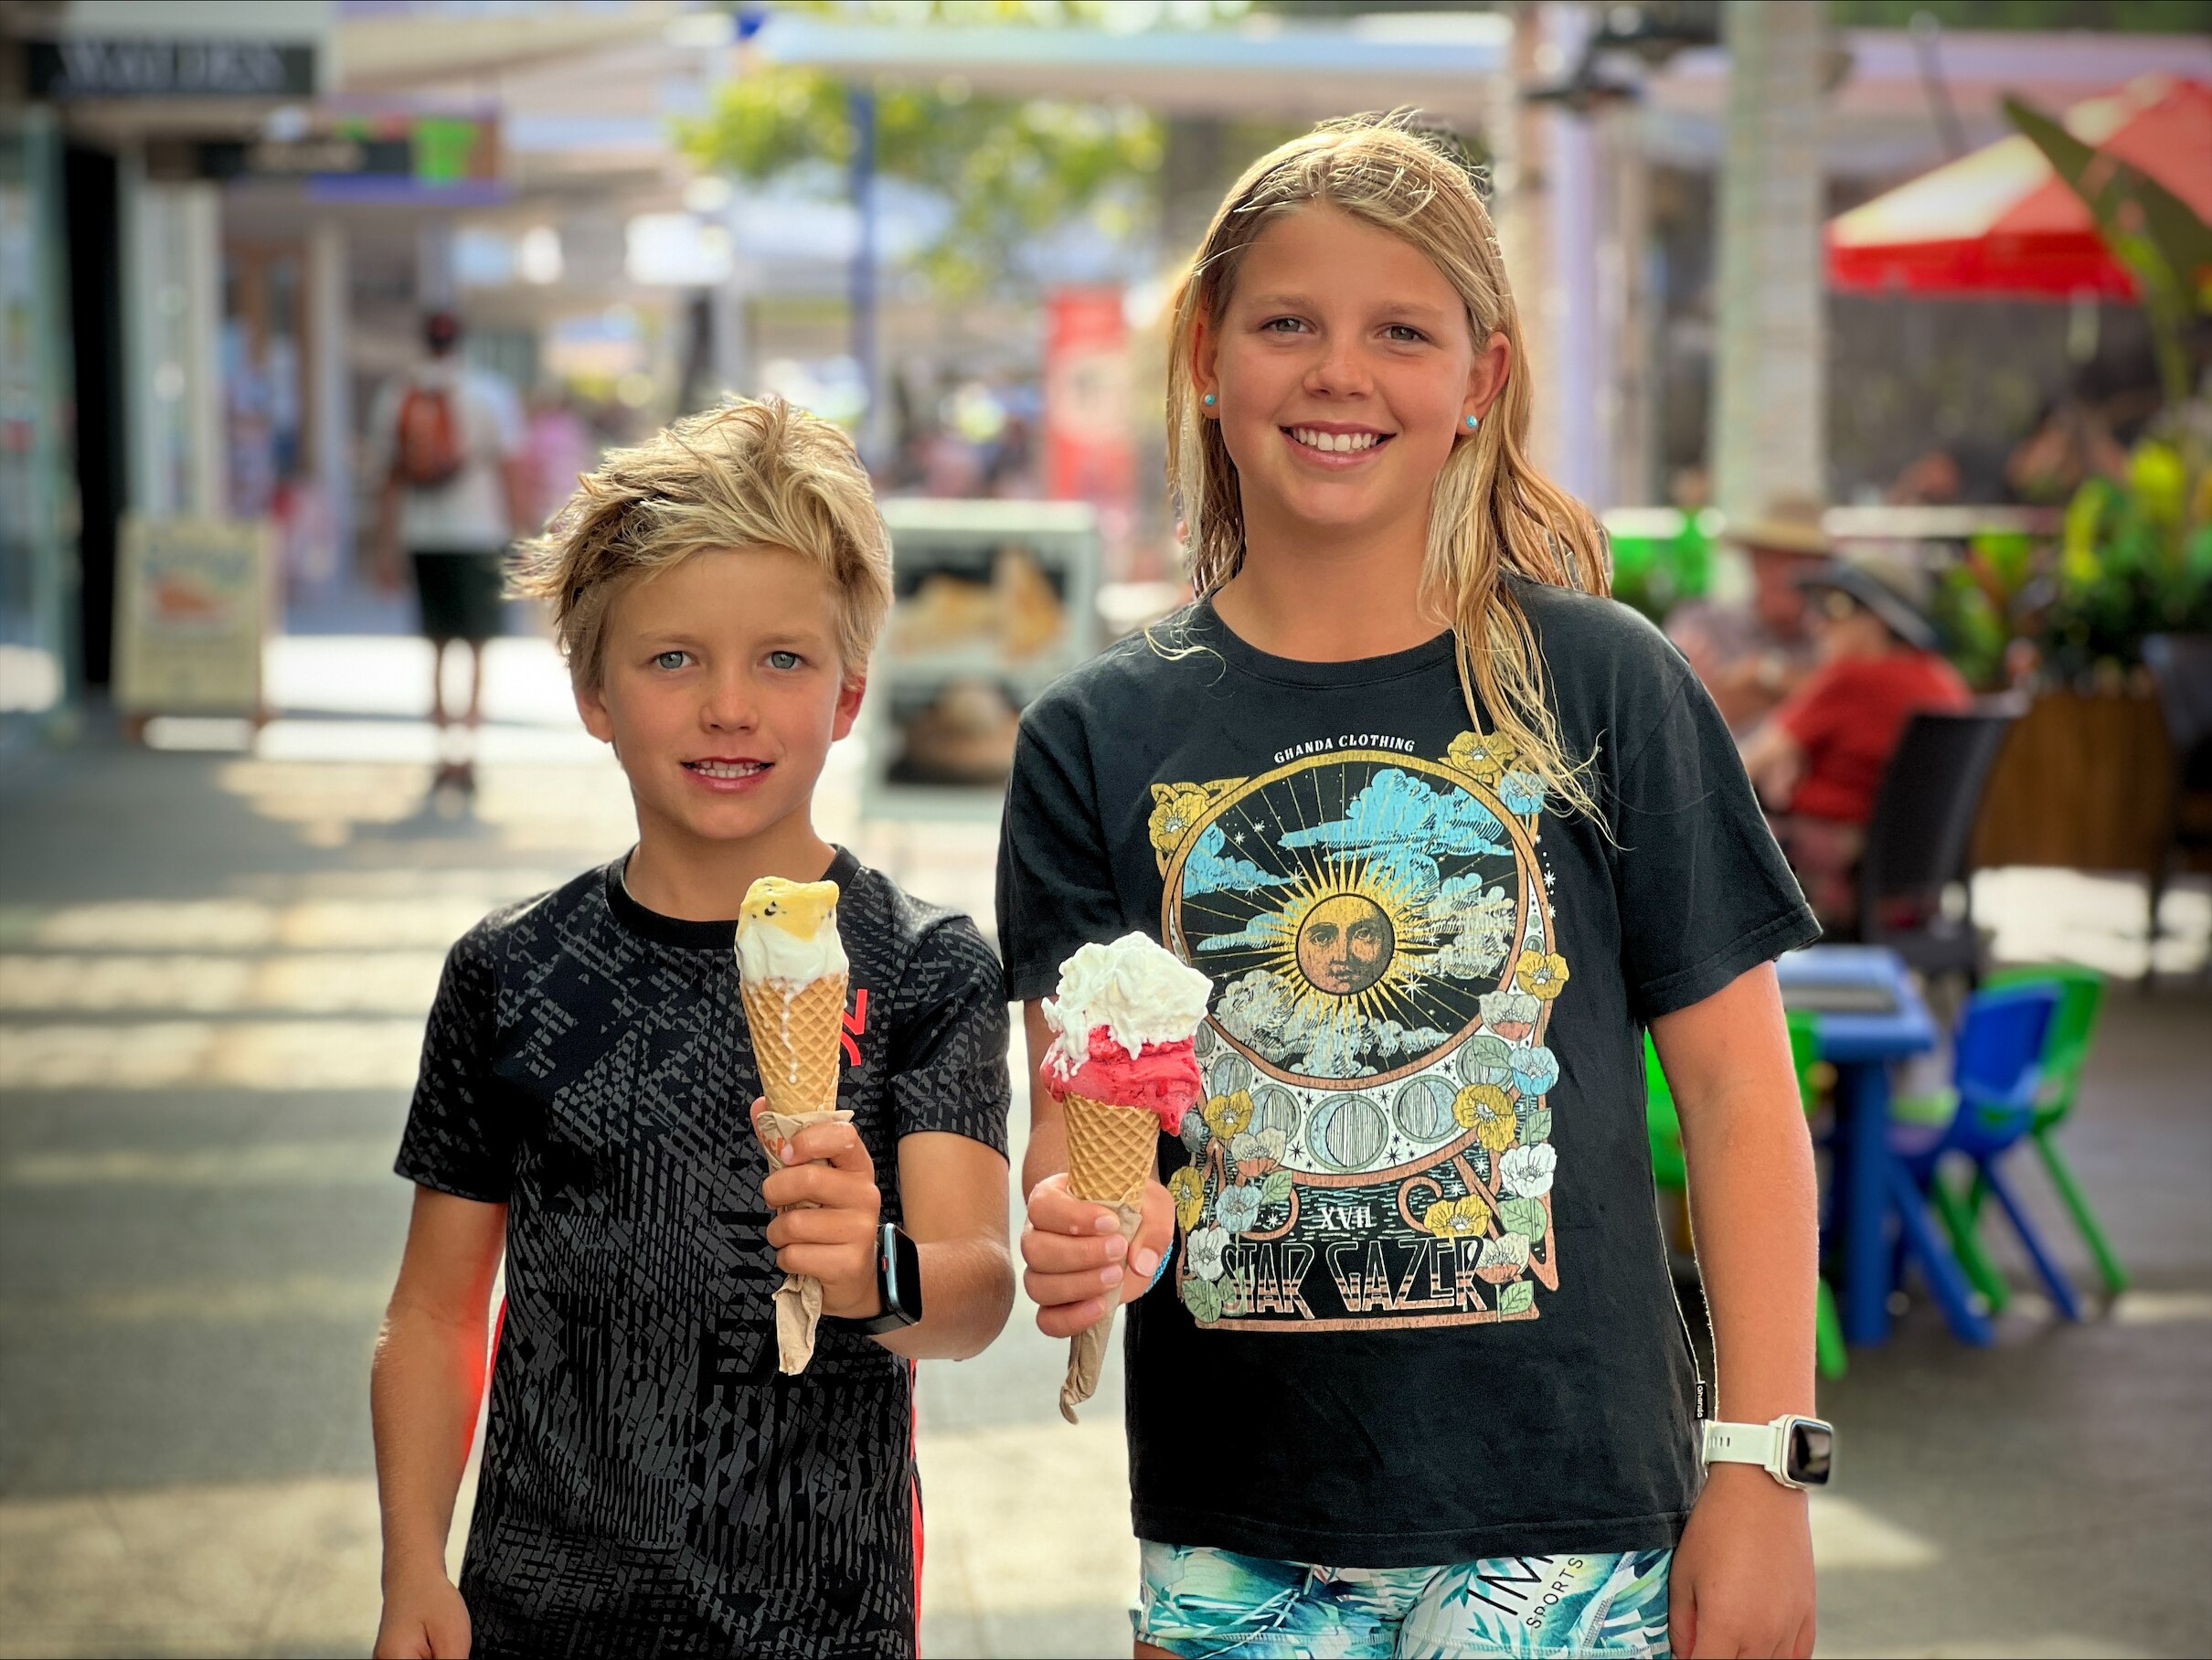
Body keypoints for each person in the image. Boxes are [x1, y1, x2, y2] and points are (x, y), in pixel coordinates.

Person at [1000, 115, 1828, 1660]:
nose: (1339, 373)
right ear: (1208, 350)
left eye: (1401, 331)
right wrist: (1072, 1221)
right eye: (1288, 322)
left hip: (1572, 1528)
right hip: (1233, 1535)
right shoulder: (1096, 739)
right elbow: (1082, 1122)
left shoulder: (1604, 684)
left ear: (1481, 378)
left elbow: (1737, 1103)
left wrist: (1763, 1466)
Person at [369, 398, 1015, 1660]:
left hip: (824, 1622)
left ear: (847, 696)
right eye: (673, 660)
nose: (730, 707)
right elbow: (435, 1312)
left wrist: (872, 1270)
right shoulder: (512, 970)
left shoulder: (927, 968)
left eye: (782, 659)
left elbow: (975, 1288)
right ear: (593, 693)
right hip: (535, 1613)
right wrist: (411, 1569)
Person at [1741, 552, 1973, 928]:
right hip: (1915, 889)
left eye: (1836, 607)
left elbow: (1741, 765)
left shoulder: (1850, 679)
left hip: (1838, 881)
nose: (1817, 623)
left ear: (1879, 618)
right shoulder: (1944, 681)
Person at [370, 310, 531, 794]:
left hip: (423, 536)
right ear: (463, 341)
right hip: (480, 532)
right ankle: (471, 754)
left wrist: (384, 544)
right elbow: (509, 470)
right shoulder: (490, 393)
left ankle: (441, 756)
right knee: (479, 648)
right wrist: (523, 534)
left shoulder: (398, 395)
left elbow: (390, 478)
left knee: (437, 648)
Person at [1664, 496, 1829, 733]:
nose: (1784, 575)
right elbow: (1670, 713)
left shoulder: (1832, 640)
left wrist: (1763, 674)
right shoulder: (1701, 625)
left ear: (1823, 572)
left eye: (1799, 563)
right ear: (1753, 562)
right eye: (1772, 560)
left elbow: (1848, 700)